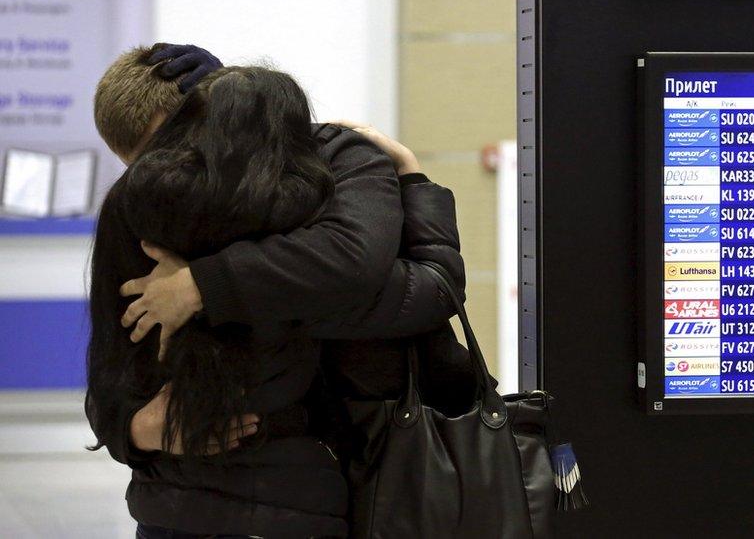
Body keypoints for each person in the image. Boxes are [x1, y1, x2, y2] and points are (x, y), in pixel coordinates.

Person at [86, 45, 471, 538]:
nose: (169, 184)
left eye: (177, 151)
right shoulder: (140, 208)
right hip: (196, 502)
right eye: (144, 168)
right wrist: (135, 430)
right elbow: (110, 370)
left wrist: (202, 285)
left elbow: (395, 280)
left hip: (311, 493)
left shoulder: (328, 164)